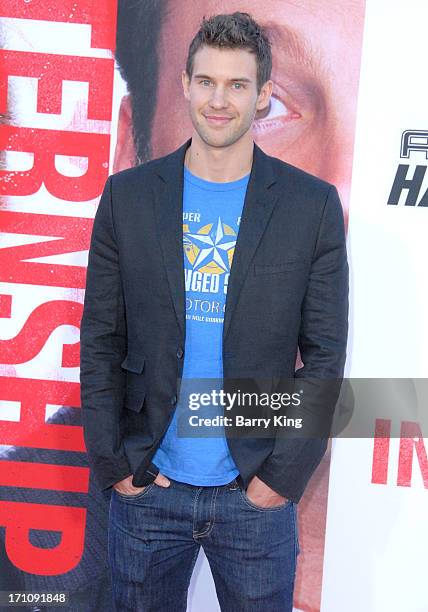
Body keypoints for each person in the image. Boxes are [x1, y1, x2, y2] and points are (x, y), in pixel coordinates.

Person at [80, 12, 348, 612]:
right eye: (206, 82)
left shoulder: (311, 207)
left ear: (262, 95)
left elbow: (324, 355)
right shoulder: (129, 197)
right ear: (185, 85)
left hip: (253, 496)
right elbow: (99, 336)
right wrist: (117, 465)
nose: (219, 100)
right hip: (149, 489)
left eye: (237, 85)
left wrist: (279, 481)